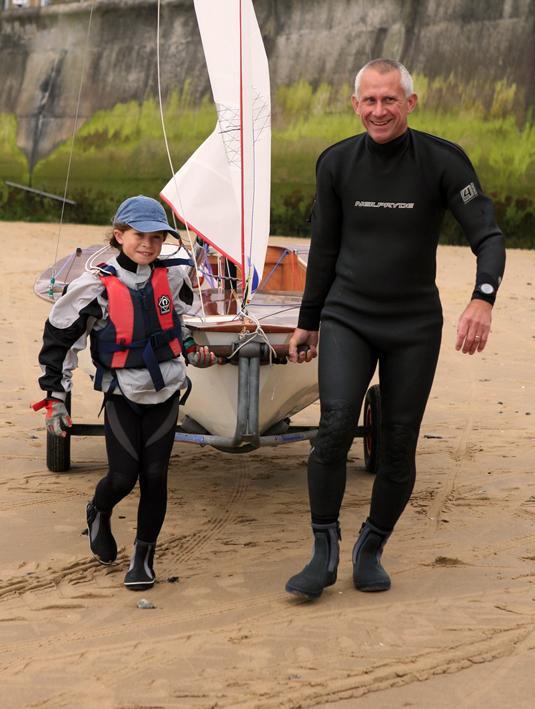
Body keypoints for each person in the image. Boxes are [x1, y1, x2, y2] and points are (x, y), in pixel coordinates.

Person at [285, 59, 506, 600]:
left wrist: (483, 298)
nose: (378, 111)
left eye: (389, 100)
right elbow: (326, 250)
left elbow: (489, 236)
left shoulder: (442, 162)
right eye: (369, 101)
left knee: (399, 443)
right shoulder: (336, 163)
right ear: (354, 104)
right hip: (348, 314)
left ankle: (372, 546)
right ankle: (324, 548)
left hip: (413, 324)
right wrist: (308, 322)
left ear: (411, 102)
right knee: (335, 425)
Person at [34, 195, 215, 591]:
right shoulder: (95, 284)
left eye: (157, 237)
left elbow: (182, 325)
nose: (148, 245)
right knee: (122, 476)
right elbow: (61, 342)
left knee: (155, 476)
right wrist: (56, 399)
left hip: (165, 389)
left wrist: (191, 351)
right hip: (121, 393)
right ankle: (99, 509)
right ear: (119, 236)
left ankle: (143, 556)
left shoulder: (174, 278)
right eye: (139, 236)